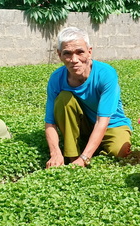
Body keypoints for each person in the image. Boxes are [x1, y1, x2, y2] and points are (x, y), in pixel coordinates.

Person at [44, 27, 132, 168]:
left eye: (80, 52)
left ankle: (87, 151)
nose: (74, 60)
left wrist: (84, 158)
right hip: (82, 124)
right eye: (67, 54)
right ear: (59, 55)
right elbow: (50, 123)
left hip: (111, 123)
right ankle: (72, 156)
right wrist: (55, 153)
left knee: (119, 152)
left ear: (89, 52)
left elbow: (102, 121)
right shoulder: (56, 79)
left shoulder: (106, 74)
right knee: (64, 98)